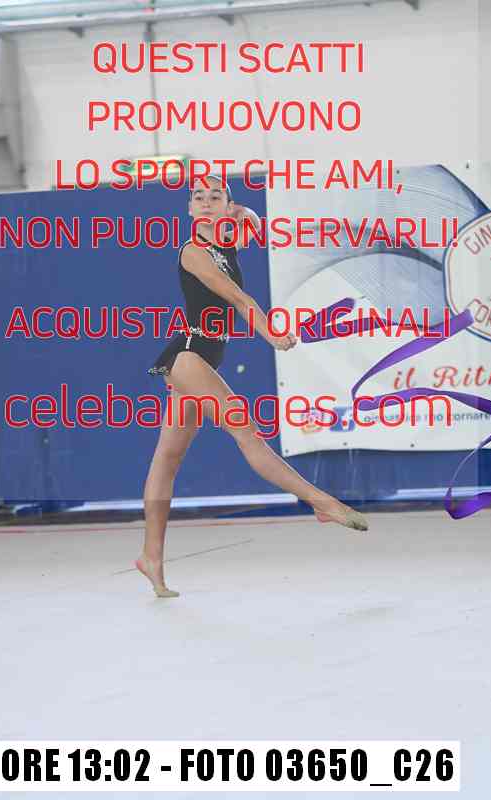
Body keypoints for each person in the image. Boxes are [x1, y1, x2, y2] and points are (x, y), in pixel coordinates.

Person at [137, 175, 368, 598]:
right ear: (188, 208)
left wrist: (239, 211)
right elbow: (240, 300)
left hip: (200, 359)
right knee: (247, 434)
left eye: (215, 197)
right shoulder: (193, 252)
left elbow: (253, 223)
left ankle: (150, 558)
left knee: (167, 458)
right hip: (188, 355)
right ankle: (320, 502)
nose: (205, 203)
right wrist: (272, 334)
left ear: (226, 205)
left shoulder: (226, 245)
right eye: (198, 198)